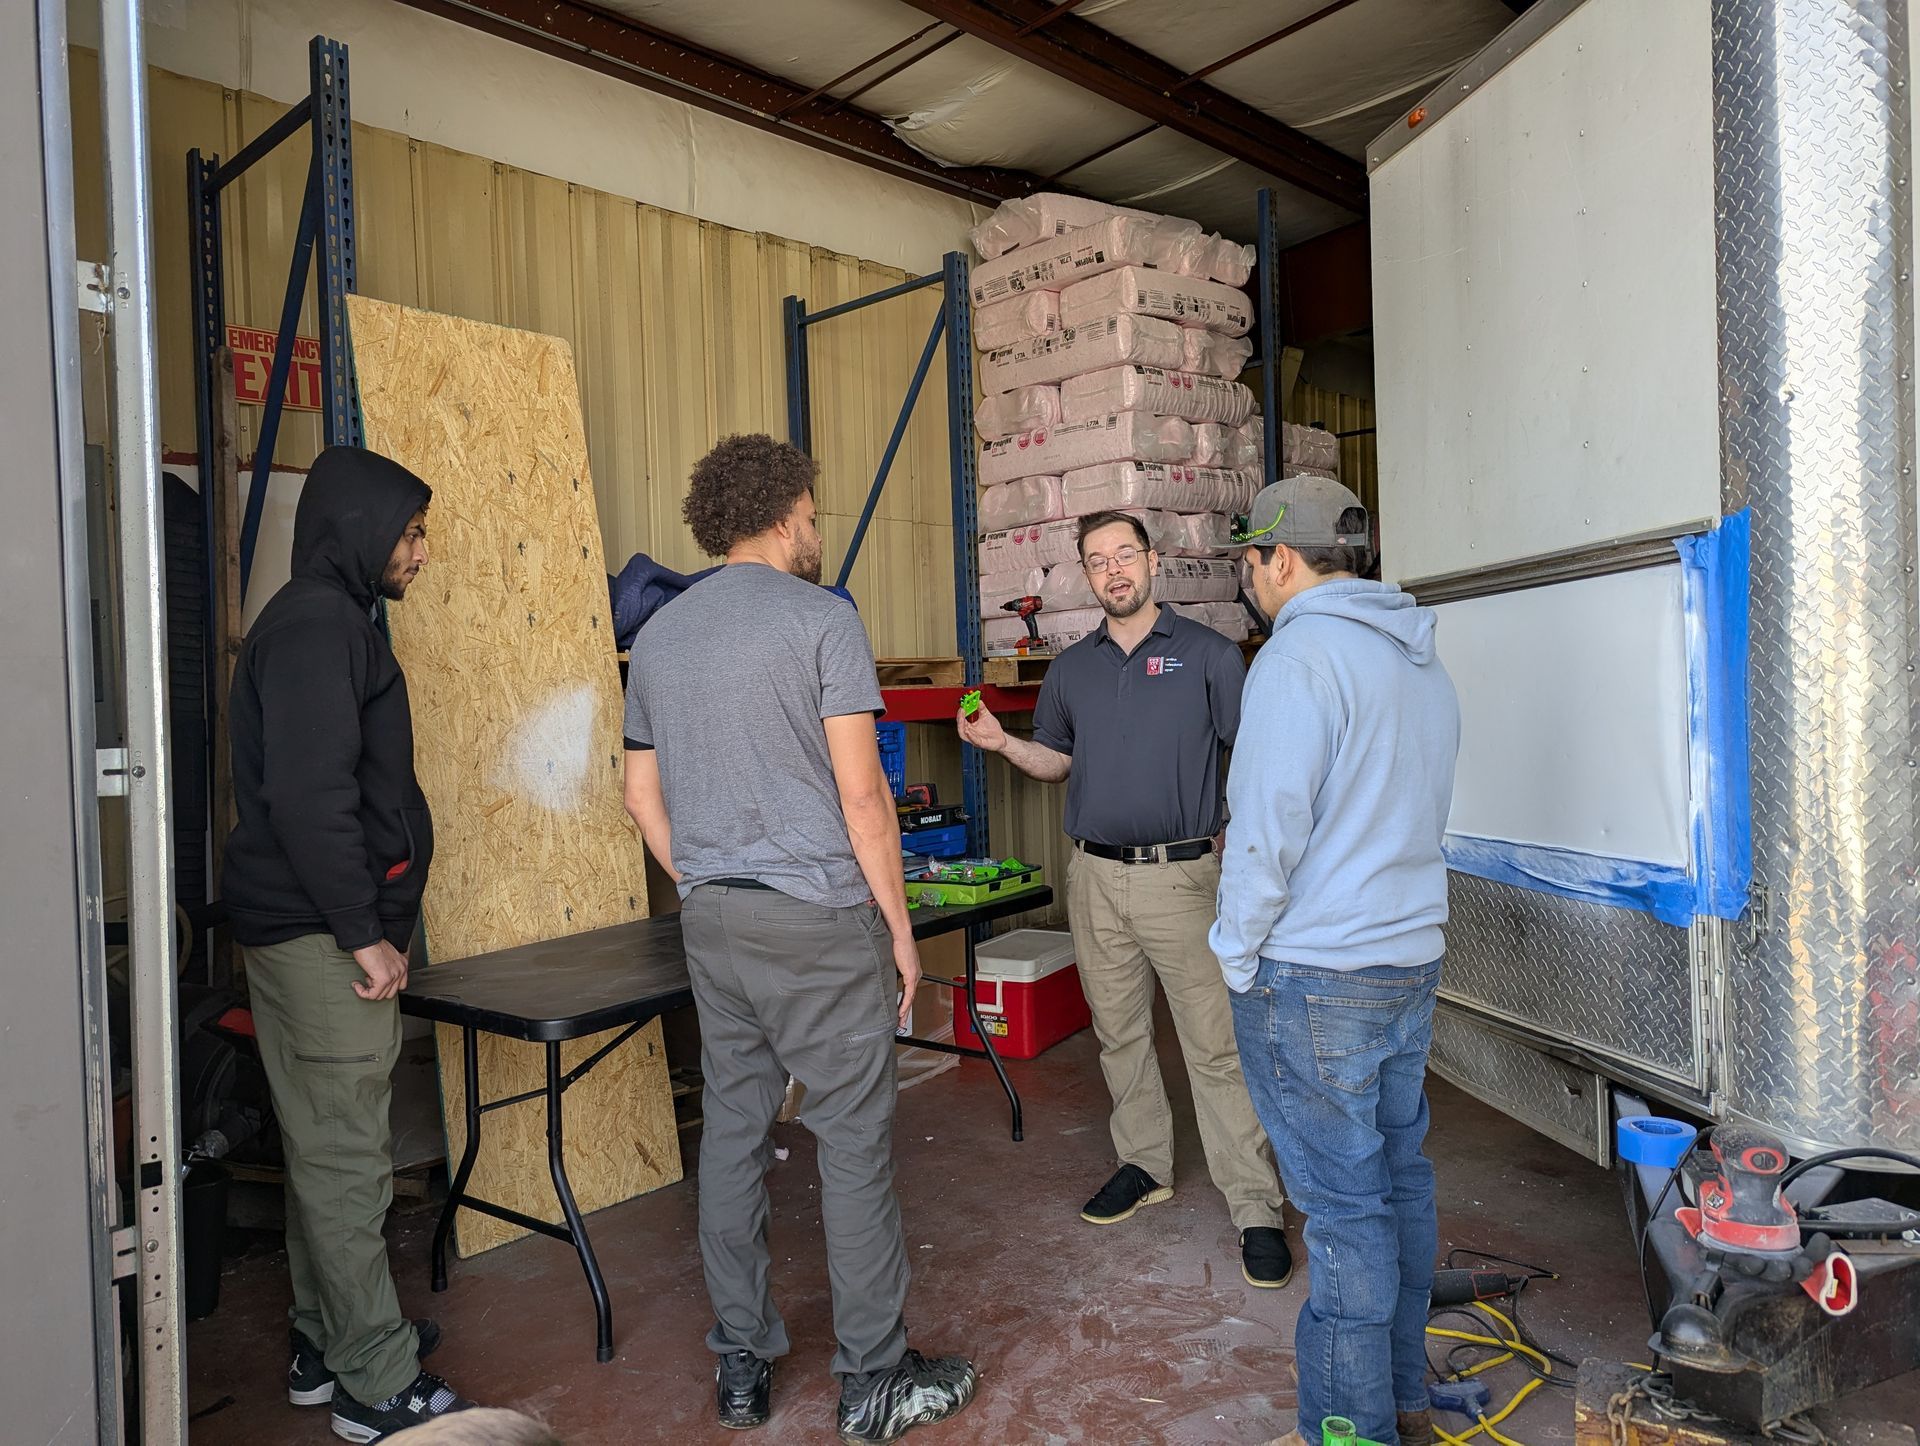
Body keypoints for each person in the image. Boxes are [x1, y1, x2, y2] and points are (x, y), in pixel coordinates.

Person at [622, 433, 976, 1444]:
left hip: (714, 919)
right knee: (854, 1140)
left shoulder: (661, 638)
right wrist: (903, 931)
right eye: (814, 515)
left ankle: (742, 1365)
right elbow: (864, 795)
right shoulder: (822, 621)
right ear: (782, 518)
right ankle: (873, 1380)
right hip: (817, 918)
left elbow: (639, 793)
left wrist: (699, 874)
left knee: (733, 1133)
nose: (818, 531)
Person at [957, 510, 1292, 1290]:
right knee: (1120, 1035)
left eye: (1123, 555)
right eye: (1096, 560)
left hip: (1183, 877)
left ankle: (1254, 1206)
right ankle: (1145, 1165)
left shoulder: (1210, 656)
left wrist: (1234, 846)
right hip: (1095, 878)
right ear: (1085, 575)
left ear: (1153, 562)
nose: (1112, 570)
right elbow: (1057, 764)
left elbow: (1254, 760)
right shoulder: (1072, 671)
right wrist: (1003, 744)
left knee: (1214, 1047)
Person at [223, 446, 476, 1442]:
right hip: (322, 937)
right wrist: (364, 935)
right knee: (346, 1160)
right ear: (362, 530)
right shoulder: (319, 628)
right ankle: (375, 1385)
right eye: (410, 533)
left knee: (322, 1147)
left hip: (306, 929)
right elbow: (313, 802)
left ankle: (326, 1342)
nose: (419, 552)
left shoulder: (324, 624)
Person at [1210, 477, 1460, 1446]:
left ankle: (1347, 1433)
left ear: (1279, 558)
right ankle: (1402, 1398)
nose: (1249, 576)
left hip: (1314, 976)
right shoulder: (1419, 658)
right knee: (1399, 1182)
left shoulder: (1296, 658)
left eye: (1252, 559)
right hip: (1406, 963)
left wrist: (1235, 956)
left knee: (1344, 1216)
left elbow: (1266, 834)